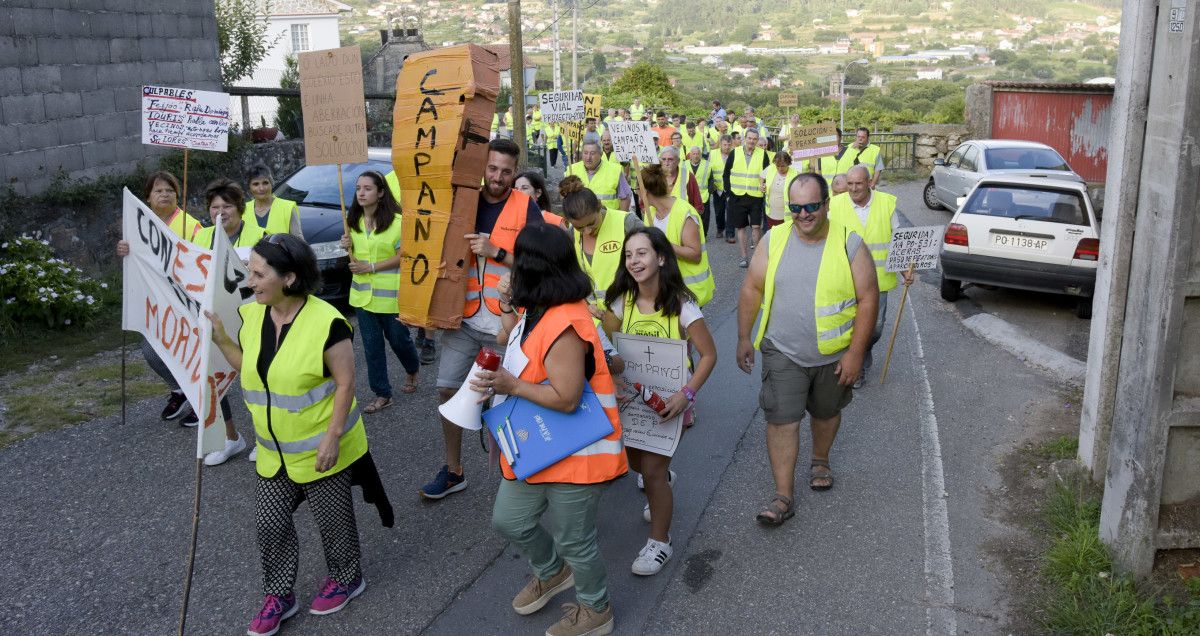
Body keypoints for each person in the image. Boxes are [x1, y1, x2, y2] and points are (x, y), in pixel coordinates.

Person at [208, 233, 389, 636]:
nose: (249, 281)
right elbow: (252, 369)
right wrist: (221, 338)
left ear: (288, 278)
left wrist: (332, 437)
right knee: (270, 525)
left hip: (323, 446)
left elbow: (346, 384)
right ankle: (279, 594)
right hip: (273, 452)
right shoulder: (252, 315)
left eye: (257, 273)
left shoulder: (328, 322)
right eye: (249, 272)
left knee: (333, 522)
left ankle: (346, 577)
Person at [481, 222, 627, 636]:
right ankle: (552, 572)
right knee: (509, 520)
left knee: (575, 539)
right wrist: (508, 310)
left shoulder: (565, 319)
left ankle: (597, 609)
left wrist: (510, 386)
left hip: (576, 452)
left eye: (518, 259)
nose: (510, 266)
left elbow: (566, 397)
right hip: (540, 445)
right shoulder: (542, 308)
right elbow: (520, 347)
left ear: (534, 266)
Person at [421, 138, 562, 500]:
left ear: (515, 173)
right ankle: (454, 470)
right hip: (465, 318)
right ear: (482, 166)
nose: (497, 176)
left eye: (506, 171)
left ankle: (518, 474)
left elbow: (540, 263)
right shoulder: (463, 200)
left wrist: (497, 251)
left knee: (511, 400)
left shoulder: (525, 206)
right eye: (492, 168)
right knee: (447, 389)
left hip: (507, 322)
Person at [735, 174, 879, 524]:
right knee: (781, 420)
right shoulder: (774, 239)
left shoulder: (850, 243)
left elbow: (868, 297)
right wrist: (744, 337)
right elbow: (752, 288)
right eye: (796, 208)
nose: (803, 214)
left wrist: (856, 354)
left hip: (834, 355)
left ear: (827, 204)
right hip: (782, 350)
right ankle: (783, 497)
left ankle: (820, 459)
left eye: (811, 206)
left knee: (826, 413)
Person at [601, 226, 716, 575]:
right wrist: (614, 377)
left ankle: (659, 543)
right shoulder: (621, 302)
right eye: (628, 255)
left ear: (661, 257)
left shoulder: (683, 305)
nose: (634, 261)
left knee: (651, 471)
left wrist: (687, 394)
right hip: (631, 401)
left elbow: (709, 355)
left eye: (642, 253)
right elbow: (606, 348)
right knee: (636, 465)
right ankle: (662, 481)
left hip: (670, 403)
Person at [115, 171, 204, 425]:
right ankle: (180, 389)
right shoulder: (139, 223)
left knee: (191, 350)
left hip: (186, 301)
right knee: (152, 350)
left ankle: (201, 400)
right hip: (154, 301)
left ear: (178, 195)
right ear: (148, 197)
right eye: (158, 191)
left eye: (170, 190)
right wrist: (123, 249)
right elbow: (134, 257)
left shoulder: (191, 225)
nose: (164, 194)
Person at [191, 179, 267, 464]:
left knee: (254, 377)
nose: (220, 212)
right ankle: (231, 438)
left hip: (254, 316)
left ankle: (265, 438)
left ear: (239, 208)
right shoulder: (201, 237)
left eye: (227, 206)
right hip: (216, 320)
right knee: (215, 380)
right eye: (214, 207)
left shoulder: (261, 234)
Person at [338, 171, 421, 414]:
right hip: (362, 298)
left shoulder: (397, 222)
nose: (361, 193)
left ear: (381, 192)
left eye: (367, 188)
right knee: (372, 348)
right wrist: (346, 248)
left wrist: (371, 267)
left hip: (392, 297)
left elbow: (404, 255)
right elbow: (355, 258)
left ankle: (412, 367)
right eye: (358, 189)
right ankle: (382, 393)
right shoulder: (350, 222)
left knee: (399, 340)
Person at [828, 165, 911, 387]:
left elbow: (897, 240)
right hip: (844, 279)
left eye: (858, 183)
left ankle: (862, 351)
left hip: (878, 282)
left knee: (874, 329)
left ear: (869, 182)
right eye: (850, 184)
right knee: (847, 324)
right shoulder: (834, 205)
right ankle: (857, 366)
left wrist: (905, 271)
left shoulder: (886, 203)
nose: (854, 189)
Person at [559, 176, 640, 314]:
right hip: (597, 316)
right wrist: (587, 303)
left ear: (599, 205)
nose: (587, 231)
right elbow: (576, 275)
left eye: (591, 223)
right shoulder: (573, 234)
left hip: (633, 310)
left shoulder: (626, 222)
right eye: (580, 228)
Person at [639, 163, 713, 307]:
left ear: (645, 192)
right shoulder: (650, 213)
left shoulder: (685, 213)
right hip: (666, 290)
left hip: (688, 291)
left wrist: (663, 244)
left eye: (638, 189)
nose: (637, 193)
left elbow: (695, 254)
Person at [722, 128, 771, 268]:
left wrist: (764, 186)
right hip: (737, 196)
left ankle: (757, 258)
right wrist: (729, 194)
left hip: (755, 196)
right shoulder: (735, 152)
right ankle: (744, 257)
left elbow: (768, 174)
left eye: (755, 139)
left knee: (756, 227)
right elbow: (726, 174)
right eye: (749, 138)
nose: (752, 141)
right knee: (741, 227)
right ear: (745, 138)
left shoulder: (763, 154)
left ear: (757, 140)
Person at [565, 140, 633, 212]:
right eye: (585, 153)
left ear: (601, 154)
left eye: (592, 153)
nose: (588, 157)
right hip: (579, 219)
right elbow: (564, 197)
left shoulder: (615, 171)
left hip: (608, 220)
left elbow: (625, 198)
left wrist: (621, 220)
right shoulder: (572, 170)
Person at [244, 163, 302, 236]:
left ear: (271, 184)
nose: (261, 188)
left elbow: (298, 241)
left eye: (265, 183)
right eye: (256, 184)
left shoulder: (288, 208)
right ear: (249, 188)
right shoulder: (242, 210)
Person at [760, 152, 801, 230]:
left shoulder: (795, 174)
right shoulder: (771, 168)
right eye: (777, 166)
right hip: (771, 213)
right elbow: (761, 176)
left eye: (783, 166)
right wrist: (761, 185)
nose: (780, 168)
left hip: (787, 216)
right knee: (773, 235)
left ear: (788, 163)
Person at [709, 134, 734, 242]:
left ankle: (730, 233)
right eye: (724, 145)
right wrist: (711, 184)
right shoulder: (713, 153)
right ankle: (720, 228)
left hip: (731, 189)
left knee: (731, 211)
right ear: (720, 144)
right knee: (719, 212)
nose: (727, 147)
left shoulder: (735, 154)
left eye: (729, 145)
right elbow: (708, 170)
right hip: (717, 188)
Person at [685, 146, 714, 235]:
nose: (696, 156)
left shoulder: (707, 165)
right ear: (690, 155)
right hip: (688, 195)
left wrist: (709, 191)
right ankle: (691, 234)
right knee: (689, 216)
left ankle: (703, 234)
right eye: (694, 154)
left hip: (703, 195)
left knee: (704, 217)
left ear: (701, 155)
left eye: (698, 154)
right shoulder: (683, 164)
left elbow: (711, 180)